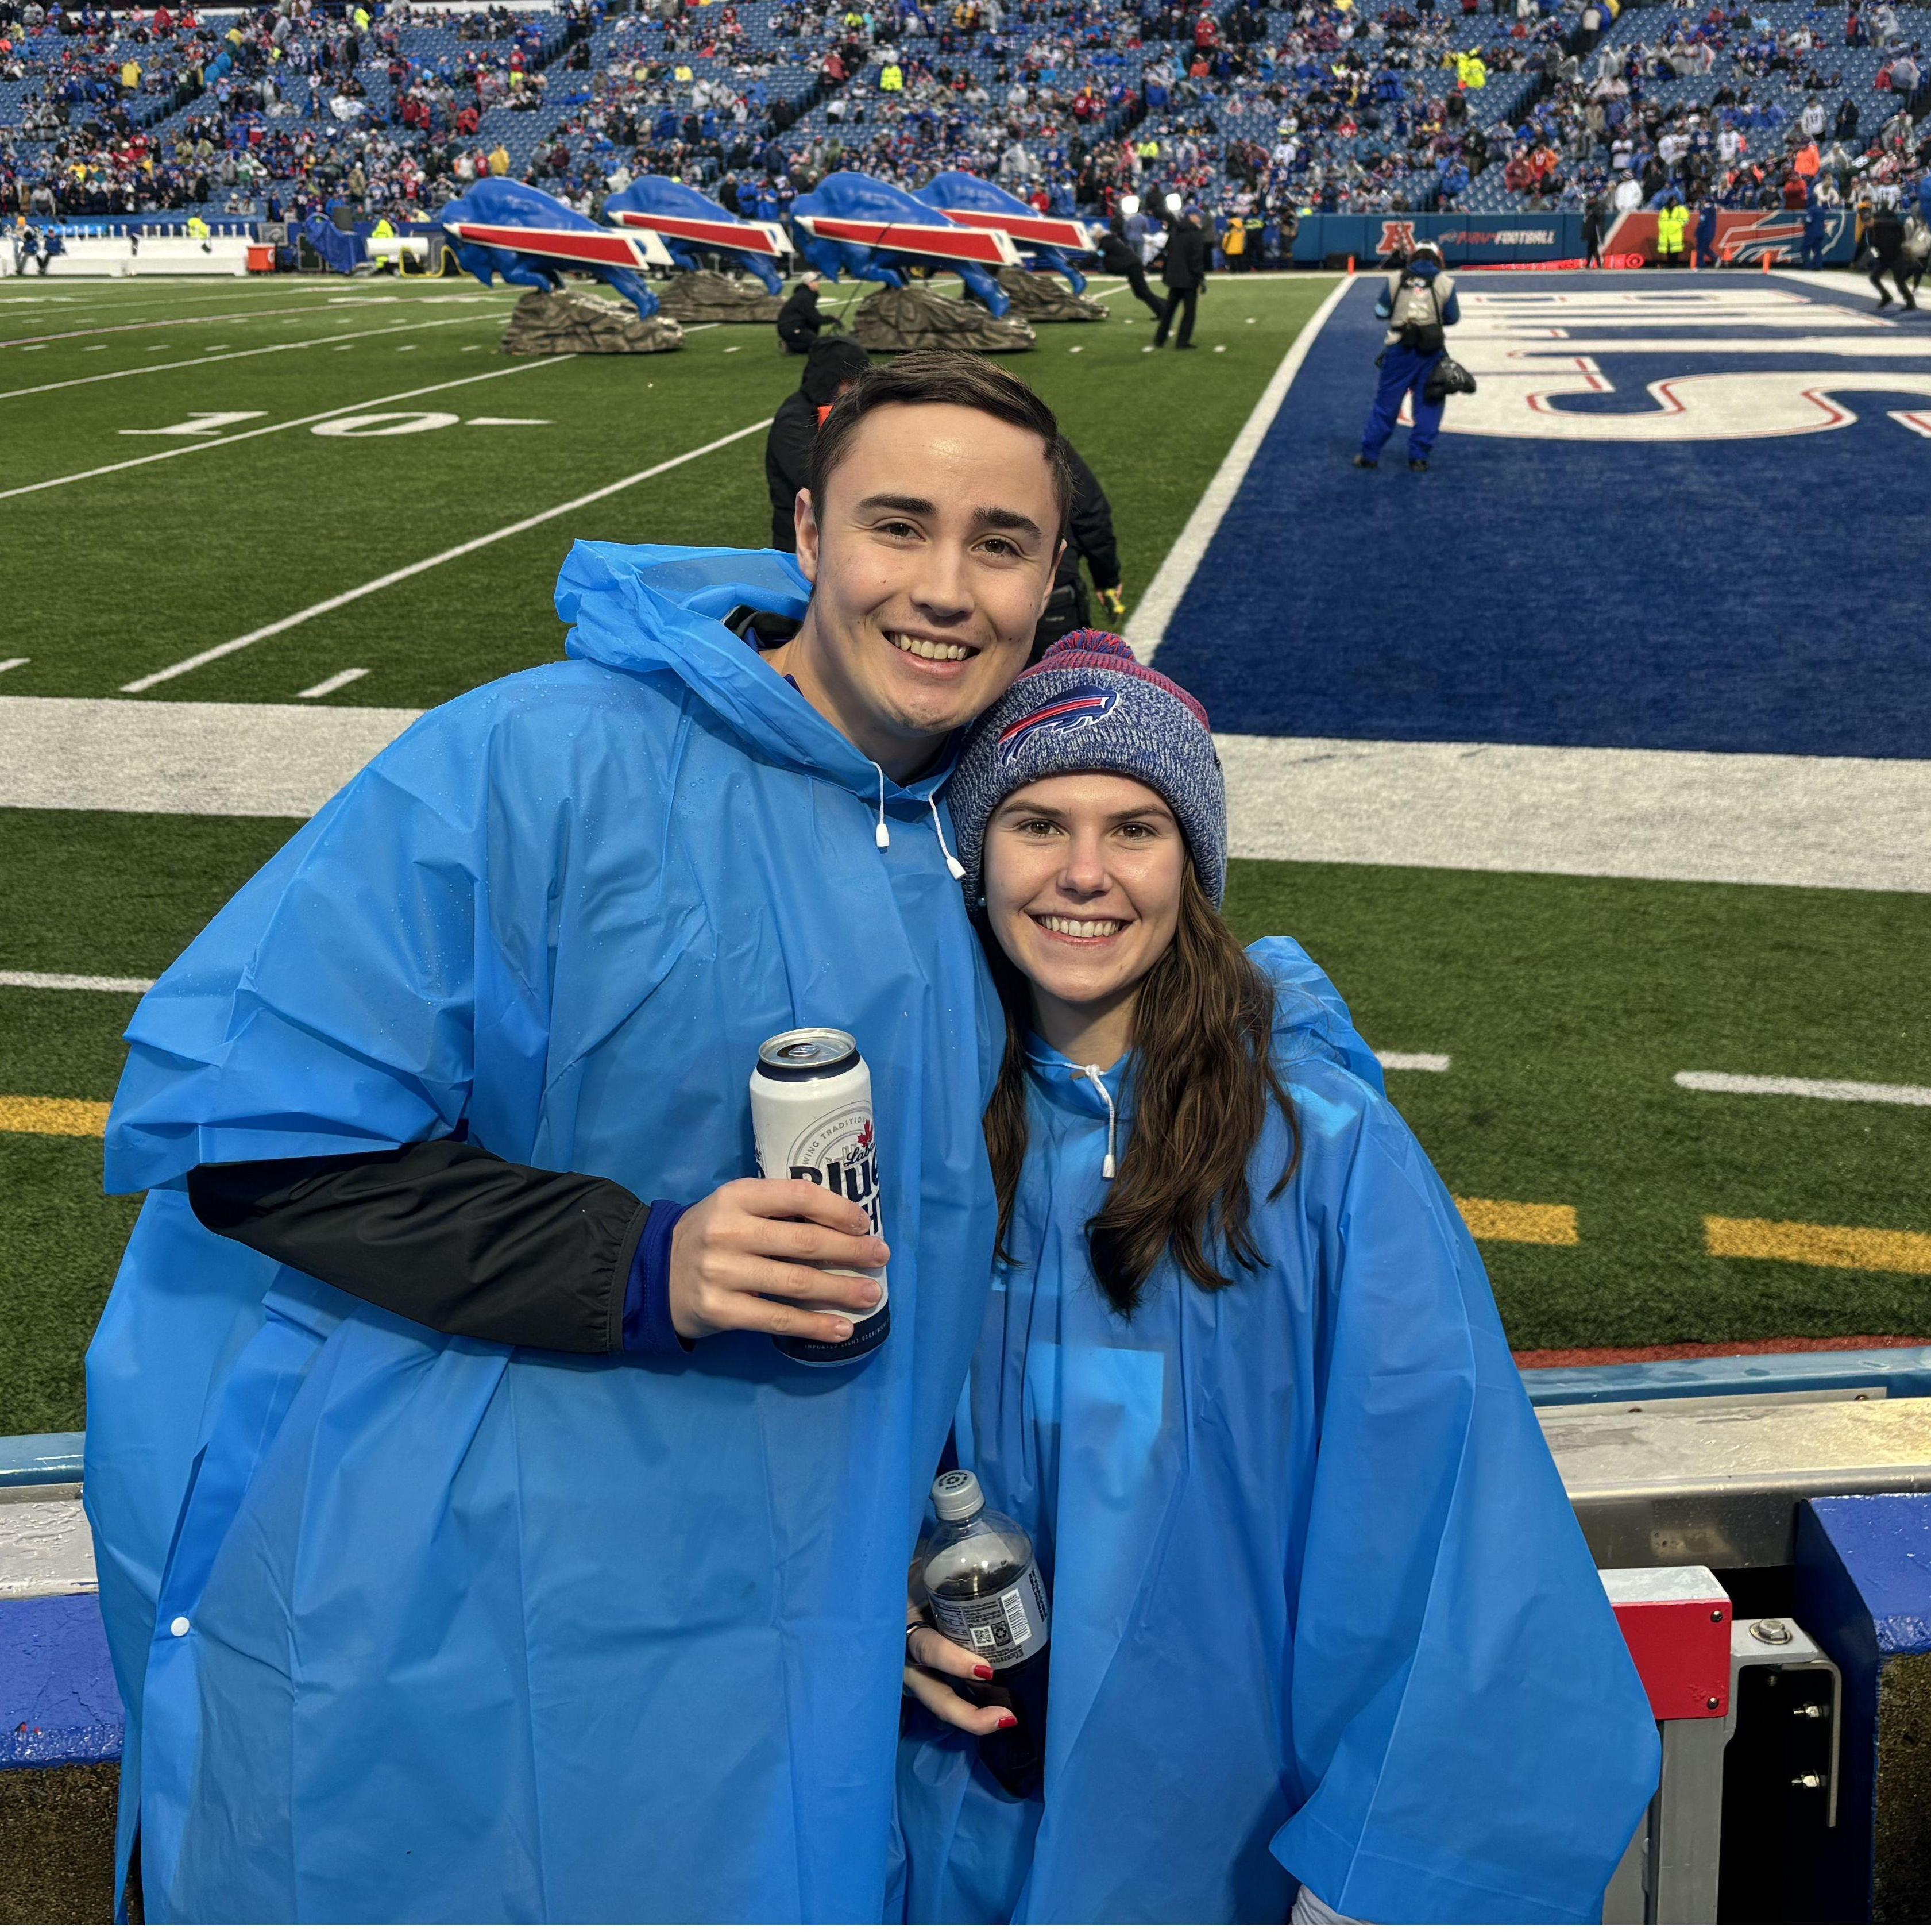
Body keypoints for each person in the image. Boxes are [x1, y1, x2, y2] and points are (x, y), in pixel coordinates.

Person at [86, 353, 1073, 1922]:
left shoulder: (993, 837)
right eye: (899, 525)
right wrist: (643, 1258)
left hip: (781, 1644)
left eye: (999, 544)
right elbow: (259, 1140)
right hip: (469, 1631)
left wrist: (898, 1515)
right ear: (807, 535)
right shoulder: (538, 755)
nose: (946, 587)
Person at [894, 632, 1662, 1923]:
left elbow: (1448, 1537)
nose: (1083, 872)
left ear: (1191, 864)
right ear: (978, 855)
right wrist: (873, 1622)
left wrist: (1381, 1883)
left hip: (1224, 1848)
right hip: (941, 1836)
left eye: (1135, 827)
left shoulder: (1323, 1154)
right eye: (1037, 823)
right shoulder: (924, 1131)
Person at [1354, 240, 1459, 473]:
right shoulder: (1446, 283)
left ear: (1413, 257)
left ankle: (1370, 455)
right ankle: (1419, 458)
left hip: (1400, 349)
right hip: (1431, 351)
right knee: (1429, 404)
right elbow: (1453, 317)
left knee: (1387, 403)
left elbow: (1380, 311)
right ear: (1437, 258)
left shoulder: (1395, 279)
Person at [765, 333, 870, 550]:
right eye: (850, 383)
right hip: (799, 541)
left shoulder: (841, 411)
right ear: (829, 380)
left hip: (832, 532)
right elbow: (814, 477)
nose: (857, 391)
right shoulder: (794, 420)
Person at [1032, 443, 1125, 655]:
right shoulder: (1048, 443)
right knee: (1065, 672)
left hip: (981, 597)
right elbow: (1092, 518)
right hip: (1054, 592)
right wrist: (1107, 580)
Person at [1152, 202, 1207, 349]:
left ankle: (1160, 339)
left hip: (1174, 277)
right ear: (1191, 216)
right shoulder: (1195, 234)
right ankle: (1182, 341)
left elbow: (1167, 252)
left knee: (1169, 310)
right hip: (1189, 279)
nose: (1200, 219)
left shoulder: (1175, 231)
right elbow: (1196, 259)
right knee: (1189, 312)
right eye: (1198, 216)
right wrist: (1200, 278)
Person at [1096, 212, 1164, 318]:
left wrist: (1081, 265)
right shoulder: (1110, 241)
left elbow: (1098, 255)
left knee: (1143, 292)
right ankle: (1165, 305)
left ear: (1099, 234)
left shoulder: (1106, 243)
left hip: (1133, 267)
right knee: (1140, 293)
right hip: (1133, 266)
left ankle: (1163, 311)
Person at [1867, 200, 1914, 308]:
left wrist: (1899, 243)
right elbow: (1901, 231)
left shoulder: (1884, 223)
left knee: (1898, 281)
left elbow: (1899, 230)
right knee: (1876, 278)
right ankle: (1888, 297)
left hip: (1894, 255)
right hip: (1887, 256)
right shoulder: (1889, 221)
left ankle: (1909, 301)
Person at [777, 267, 826, 351]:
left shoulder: (807, 294)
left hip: (794, 325)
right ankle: (790, 346)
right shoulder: (805, 297)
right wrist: (831, 319)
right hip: (790, 328)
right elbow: (815, 318)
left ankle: (806, 338)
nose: (819, 283)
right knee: (816, 345)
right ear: (809, 284)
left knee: (816, 340)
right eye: (816, 281)